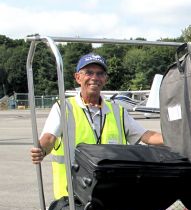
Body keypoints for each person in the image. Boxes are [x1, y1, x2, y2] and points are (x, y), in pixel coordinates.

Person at [30, 53, 164, 199]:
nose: (94, 77)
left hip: (110, 195)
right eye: (89, 72)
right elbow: (49, 138)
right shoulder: (63, 108)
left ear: (105, 79)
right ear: (78, 77)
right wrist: (41, 150)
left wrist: (177, 140)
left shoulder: (117, 111)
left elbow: (147, 136)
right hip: (73, 198)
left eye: (100, 73)